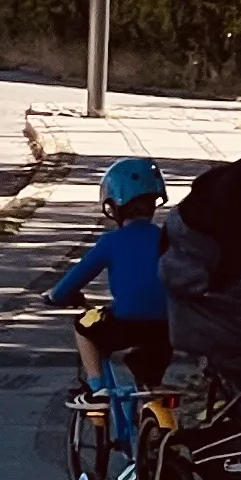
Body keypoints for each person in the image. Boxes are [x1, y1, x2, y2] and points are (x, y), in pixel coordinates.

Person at [51, 158, 173, 390]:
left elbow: (71, 284)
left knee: (83, 326)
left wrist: (57, 296)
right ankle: (152, 420)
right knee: (150, 386)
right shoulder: (169, 240)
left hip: (124, 324)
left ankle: (97, 387)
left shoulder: (110, 242)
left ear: (113, 207)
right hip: (167, 328)